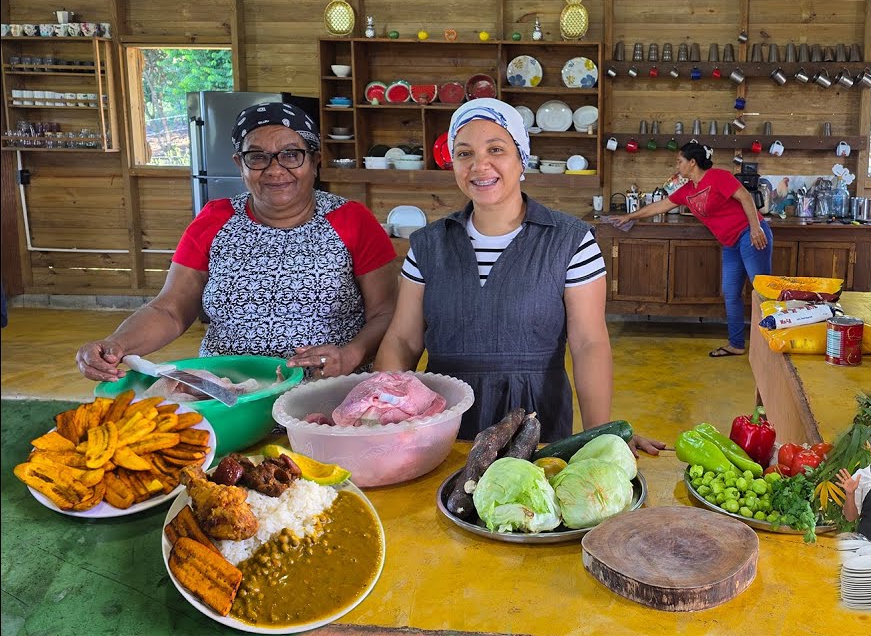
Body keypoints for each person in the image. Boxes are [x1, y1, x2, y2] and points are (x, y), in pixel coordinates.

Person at [372, 99, 662, 454]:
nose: (479, 165)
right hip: (443, 422)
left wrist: (600, 437)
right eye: (464, 154)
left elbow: (589, 343)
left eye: (496, 149)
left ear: (522, 158)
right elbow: (403, 340)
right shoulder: (428, 245)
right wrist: (381, 417)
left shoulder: (570, 242)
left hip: (534, 420)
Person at [76, 102, 398, 380]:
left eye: (291, 155)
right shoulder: (214, 220)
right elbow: (170, 310)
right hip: (228, 389)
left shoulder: (352, 220)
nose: (275, 170)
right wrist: (116, 344)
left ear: (314, 161)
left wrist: (352, 354)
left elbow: (386, 313)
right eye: (257, 157)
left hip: (322, 392)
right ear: (239, 164)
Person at [612, 142, 772, 357]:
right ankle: (736, 344)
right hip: (730, 243)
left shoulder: (718, 177)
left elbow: (745, 197)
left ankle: (771, 345)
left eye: (679, 161)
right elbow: (660, 206)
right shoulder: (688, 190)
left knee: (762, 290)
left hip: (750, 234)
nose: (677, 166)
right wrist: (629, 216)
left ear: (692, 162)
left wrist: (755, 227)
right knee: (731, 293)